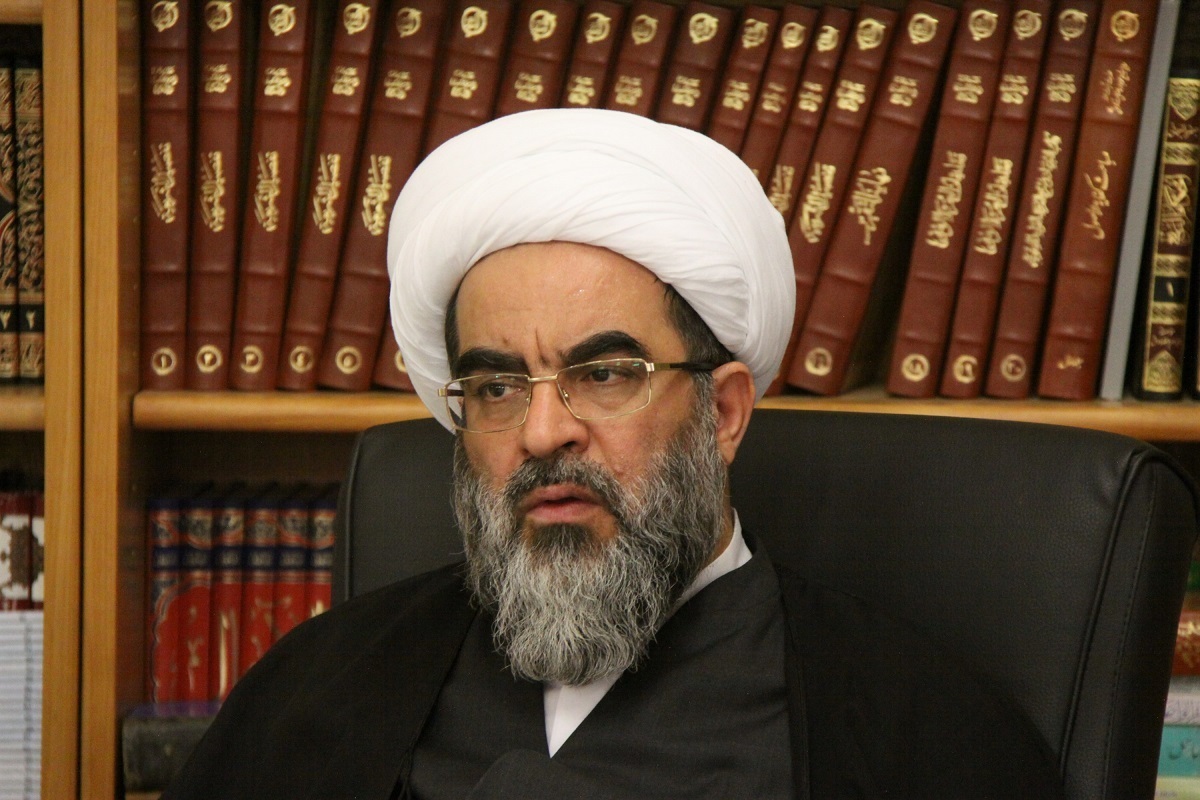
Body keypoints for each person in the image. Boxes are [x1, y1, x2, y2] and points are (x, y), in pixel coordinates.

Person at [163, 109, 1062, 799]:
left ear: (723, 413)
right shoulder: (320, 689)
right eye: (496, 386)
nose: (542, 432)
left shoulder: (921, 732)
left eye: (602, 375)